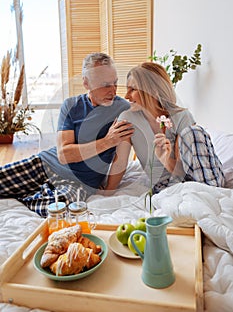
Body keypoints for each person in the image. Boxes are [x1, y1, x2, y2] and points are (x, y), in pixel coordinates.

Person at [0, 52, 134, 216]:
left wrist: (108, 191)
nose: (113, 90)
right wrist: (107, 141)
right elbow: (64, 154)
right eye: (105, 85)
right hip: (46, 164)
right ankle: (41, 188)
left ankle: (31, 194)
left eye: (115, 83)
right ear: (86, 83)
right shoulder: (71, 105)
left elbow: (121, 158)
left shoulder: (122, 110)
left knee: (56, 210)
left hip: (80, 183)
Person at [104, 62, 225, 195]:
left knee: (193, 132)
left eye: (133, 89)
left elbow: (182, 171)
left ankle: (211, 194)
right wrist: (106, 193)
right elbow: (120, 162)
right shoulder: (127, 118)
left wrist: (166, 159)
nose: (126, 96)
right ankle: (201, 196)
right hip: (166, 186)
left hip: (202, 178)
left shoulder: (181, 116)